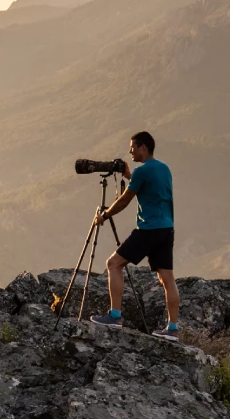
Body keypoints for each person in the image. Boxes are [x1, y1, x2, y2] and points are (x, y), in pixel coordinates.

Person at [89, 131, 180, 340]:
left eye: (132, 147)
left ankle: (115, 316)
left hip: (148, 228)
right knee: (167, 278)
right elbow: (148, 189)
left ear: (143, 147)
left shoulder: (142, 172)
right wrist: (129, 176)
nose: (130, 151)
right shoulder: (164, 169)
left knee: (113, 264)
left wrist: (104, 215)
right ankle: (173, 328)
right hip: (166, 229)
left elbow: (124, 201)